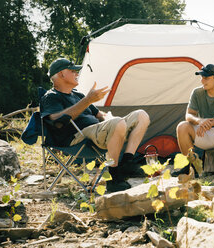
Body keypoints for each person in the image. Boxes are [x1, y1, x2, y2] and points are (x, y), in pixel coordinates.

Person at [40, 58, 150, 192]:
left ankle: (127, 162)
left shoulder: (78, 95)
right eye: (73, 70)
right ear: (62, 74)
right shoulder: (51, 96)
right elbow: (56, 121)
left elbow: (99, 114)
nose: (77, 73)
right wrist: (87, 100)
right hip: (77, 137)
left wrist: (109, 118)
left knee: (141, 115)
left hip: (100, 132)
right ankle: (113, 178)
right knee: (118, 123)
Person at [173, 64, 214, 182]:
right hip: (203, 133)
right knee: (182, 126)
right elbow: (188, 115)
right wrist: (200, 121)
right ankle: (190, 167)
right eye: (202, 77)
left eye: (206, 78)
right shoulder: (197, 93)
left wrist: (211, 123)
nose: (202, 80)